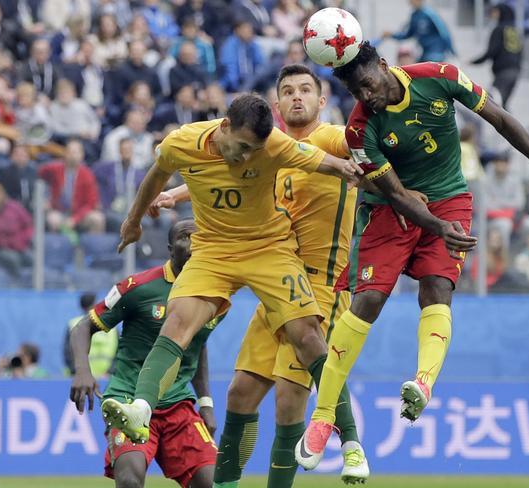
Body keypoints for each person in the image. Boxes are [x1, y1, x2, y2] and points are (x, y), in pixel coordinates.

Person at [295, 41, 529, 470]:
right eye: (357, 93)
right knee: (367, 300)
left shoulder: (439, 77)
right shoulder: (358, 129)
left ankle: (423, 383)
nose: (367, 97)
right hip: (394, 210)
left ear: (385, 66)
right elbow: (397, 195)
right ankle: (324, 415)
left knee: (438, 288)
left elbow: (501, 120)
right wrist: (436, 226)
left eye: (368, 85)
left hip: (449, 200)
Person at [152, 65, 386, 487]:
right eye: (288, 91)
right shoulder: (265, 149)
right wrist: (176, 193)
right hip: (277, 278)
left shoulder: (332, 138)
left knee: (289, 399)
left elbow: (367, 148)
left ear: (321, 101)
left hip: (320, 286)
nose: (297, 97)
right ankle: (225, 484)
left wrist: (409, 190)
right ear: (276, 106)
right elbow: (225, 169)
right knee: (239, 392)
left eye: (305, 90)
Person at [100, 93, 362, 449]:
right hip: (214, 251)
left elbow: (329, 163)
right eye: (240, 146)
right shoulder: (180, 143)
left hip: (269, 248)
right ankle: (141, 408)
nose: (244, 157)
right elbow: (155, 177)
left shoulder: (274, 145)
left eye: (253, 150)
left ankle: (350, 439)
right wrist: (132, 222)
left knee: (306, 334)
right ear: (224, 126)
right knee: (178, 321)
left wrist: (365, 173)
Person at [70, 220, 218, 488]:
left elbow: (197, 345)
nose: (194, 243)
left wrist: (205, 403)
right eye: (185, 237)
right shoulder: (138, 287)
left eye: (201, 237)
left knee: (213, 484)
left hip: (178, 405)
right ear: (171, 248)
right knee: (129, 481)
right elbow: (83, 327)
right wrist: (83, 370)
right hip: (128, 398)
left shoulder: (216, 295)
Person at [471, 3, 523, 109]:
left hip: (503, 73)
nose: (493, 15)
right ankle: (508, 125)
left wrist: (473, 62)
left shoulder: (499, 30)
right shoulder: (515, 31)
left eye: (496, 12)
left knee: (493, 104)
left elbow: (491, 51)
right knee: (502, 106)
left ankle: (508, 125)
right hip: (515, 72)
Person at [64, 292, 118, 378]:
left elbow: (68, 353)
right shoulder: (111, 326)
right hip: (105, 378)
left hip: (83, 378)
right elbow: (119, 352)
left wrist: (78, 373)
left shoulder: (73, 324)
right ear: (94, 304)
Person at [382, 0, 455, 62]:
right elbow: (407, 34)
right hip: (424, 53)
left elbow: (444, 33)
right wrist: (391, 35)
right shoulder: (414, 16)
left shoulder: (430, 14)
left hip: (436, 54)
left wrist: (452, 52)